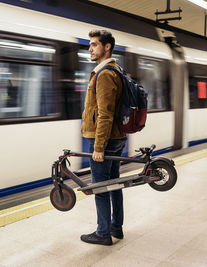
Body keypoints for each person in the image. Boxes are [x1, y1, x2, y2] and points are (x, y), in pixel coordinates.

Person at [80, 29, 127, 246]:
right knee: (114, 184)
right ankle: (116, 227)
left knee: (100, 187)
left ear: (107, 47)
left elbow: (104, 114)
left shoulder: (105, 73)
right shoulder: (115, 70)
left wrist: (98, 147)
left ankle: (103, 233)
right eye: (89, 45)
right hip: (116, 138)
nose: (90, 49)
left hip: (105, 140)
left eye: (94, 45)